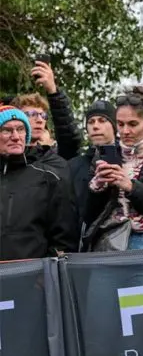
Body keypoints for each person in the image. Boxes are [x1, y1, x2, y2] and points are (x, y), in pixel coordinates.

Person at [83, 88, 143, 251]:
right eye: (120, 124)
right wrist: (97, 187)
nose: (125, 131)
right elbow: (89, 215)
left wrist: (131, 187)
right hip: (108, 239)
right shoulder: (103, 154)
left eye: (133, 124)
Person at [0, 105, 78, 259]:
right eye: (7, 130)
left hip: (32, 276)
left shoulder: (48, 177)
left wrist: (43, 279)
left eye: (21, 129)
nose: (16, 136)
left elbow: (64, 239)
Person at [70, 100, 118, 228]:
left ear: (115, 125)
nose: (95, 126)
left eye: (102, 120)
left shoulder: (130, 158)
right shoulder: (74, 165)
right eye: (91, 122)